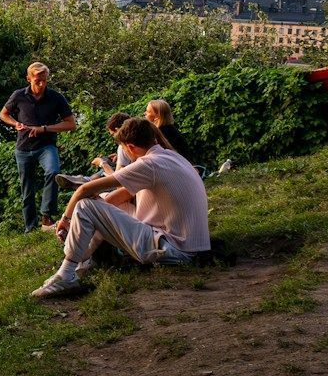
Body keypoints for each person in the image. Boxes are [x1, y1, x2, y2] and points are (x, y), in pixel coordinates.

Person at [32, 117, 210, 300]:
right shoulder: (170, 155)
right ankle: (81, 260)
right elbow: (120, 196)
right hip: (187, 243)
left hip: (174, 249)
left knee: (86, 205)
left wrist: (66, 220)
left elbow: (84, 189)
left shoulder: (148, 164)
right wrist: (96, 215)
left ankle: (66, 274)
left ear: (130, 147)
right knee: (100, 202)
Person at [0, 62, 78, 231]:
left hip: (46, 146)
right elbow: (3, 114)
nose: (42, 84)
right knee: (26, 189)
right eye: (37, 81)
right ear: (29, 79)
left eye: (44, 80)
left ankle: (47, 218)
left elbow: (71, 124)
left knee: (53, 171)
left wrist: (44, 129)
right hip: (23, 148)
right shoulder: (18, 95)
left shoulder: (56, 98)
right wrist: (15, 124)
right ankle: (30, 228)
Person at [145, 98, 195, 166]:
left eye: (148, 111)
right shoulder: (171, 130)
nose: (145, 114)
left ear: (157, 116)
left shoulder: (160, 134)